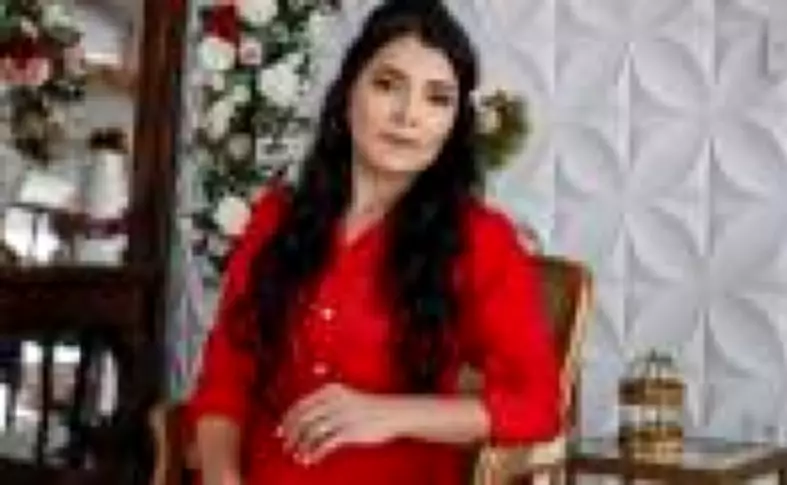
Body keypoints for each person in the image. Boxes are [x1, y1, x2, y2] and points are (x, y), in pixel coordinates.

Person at [186, 1, 560, 484]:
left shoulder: (482, 240)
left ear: (453, 124)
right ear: (348, 94)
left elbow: (537, 406)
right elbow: (224, 380)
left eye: (437, 99)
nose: (408, 115)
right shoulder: (277, 218)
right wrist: (221, 478)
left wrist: (387, 414)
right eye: (387, 85)